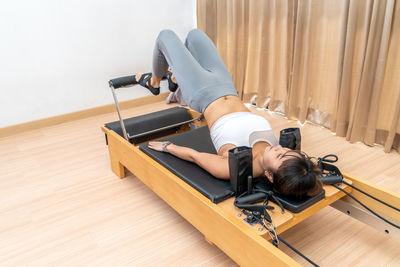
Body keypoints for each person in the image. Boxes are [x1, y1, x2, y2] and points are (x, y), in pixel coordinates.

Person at [134, 29, 322, 199]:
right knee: (194, 35)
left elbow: (195, 156)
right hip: (226, 85)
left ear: (269, 175)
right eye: (287, 152)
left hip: (201, 94)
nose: (281, 149)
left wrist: (167, 147)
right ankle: (176, 79)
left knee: (165, 36)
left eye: (280, 156)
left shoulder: (233, 167)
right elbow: (304, 175)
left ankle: (154, 82)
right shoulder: (282, 155)